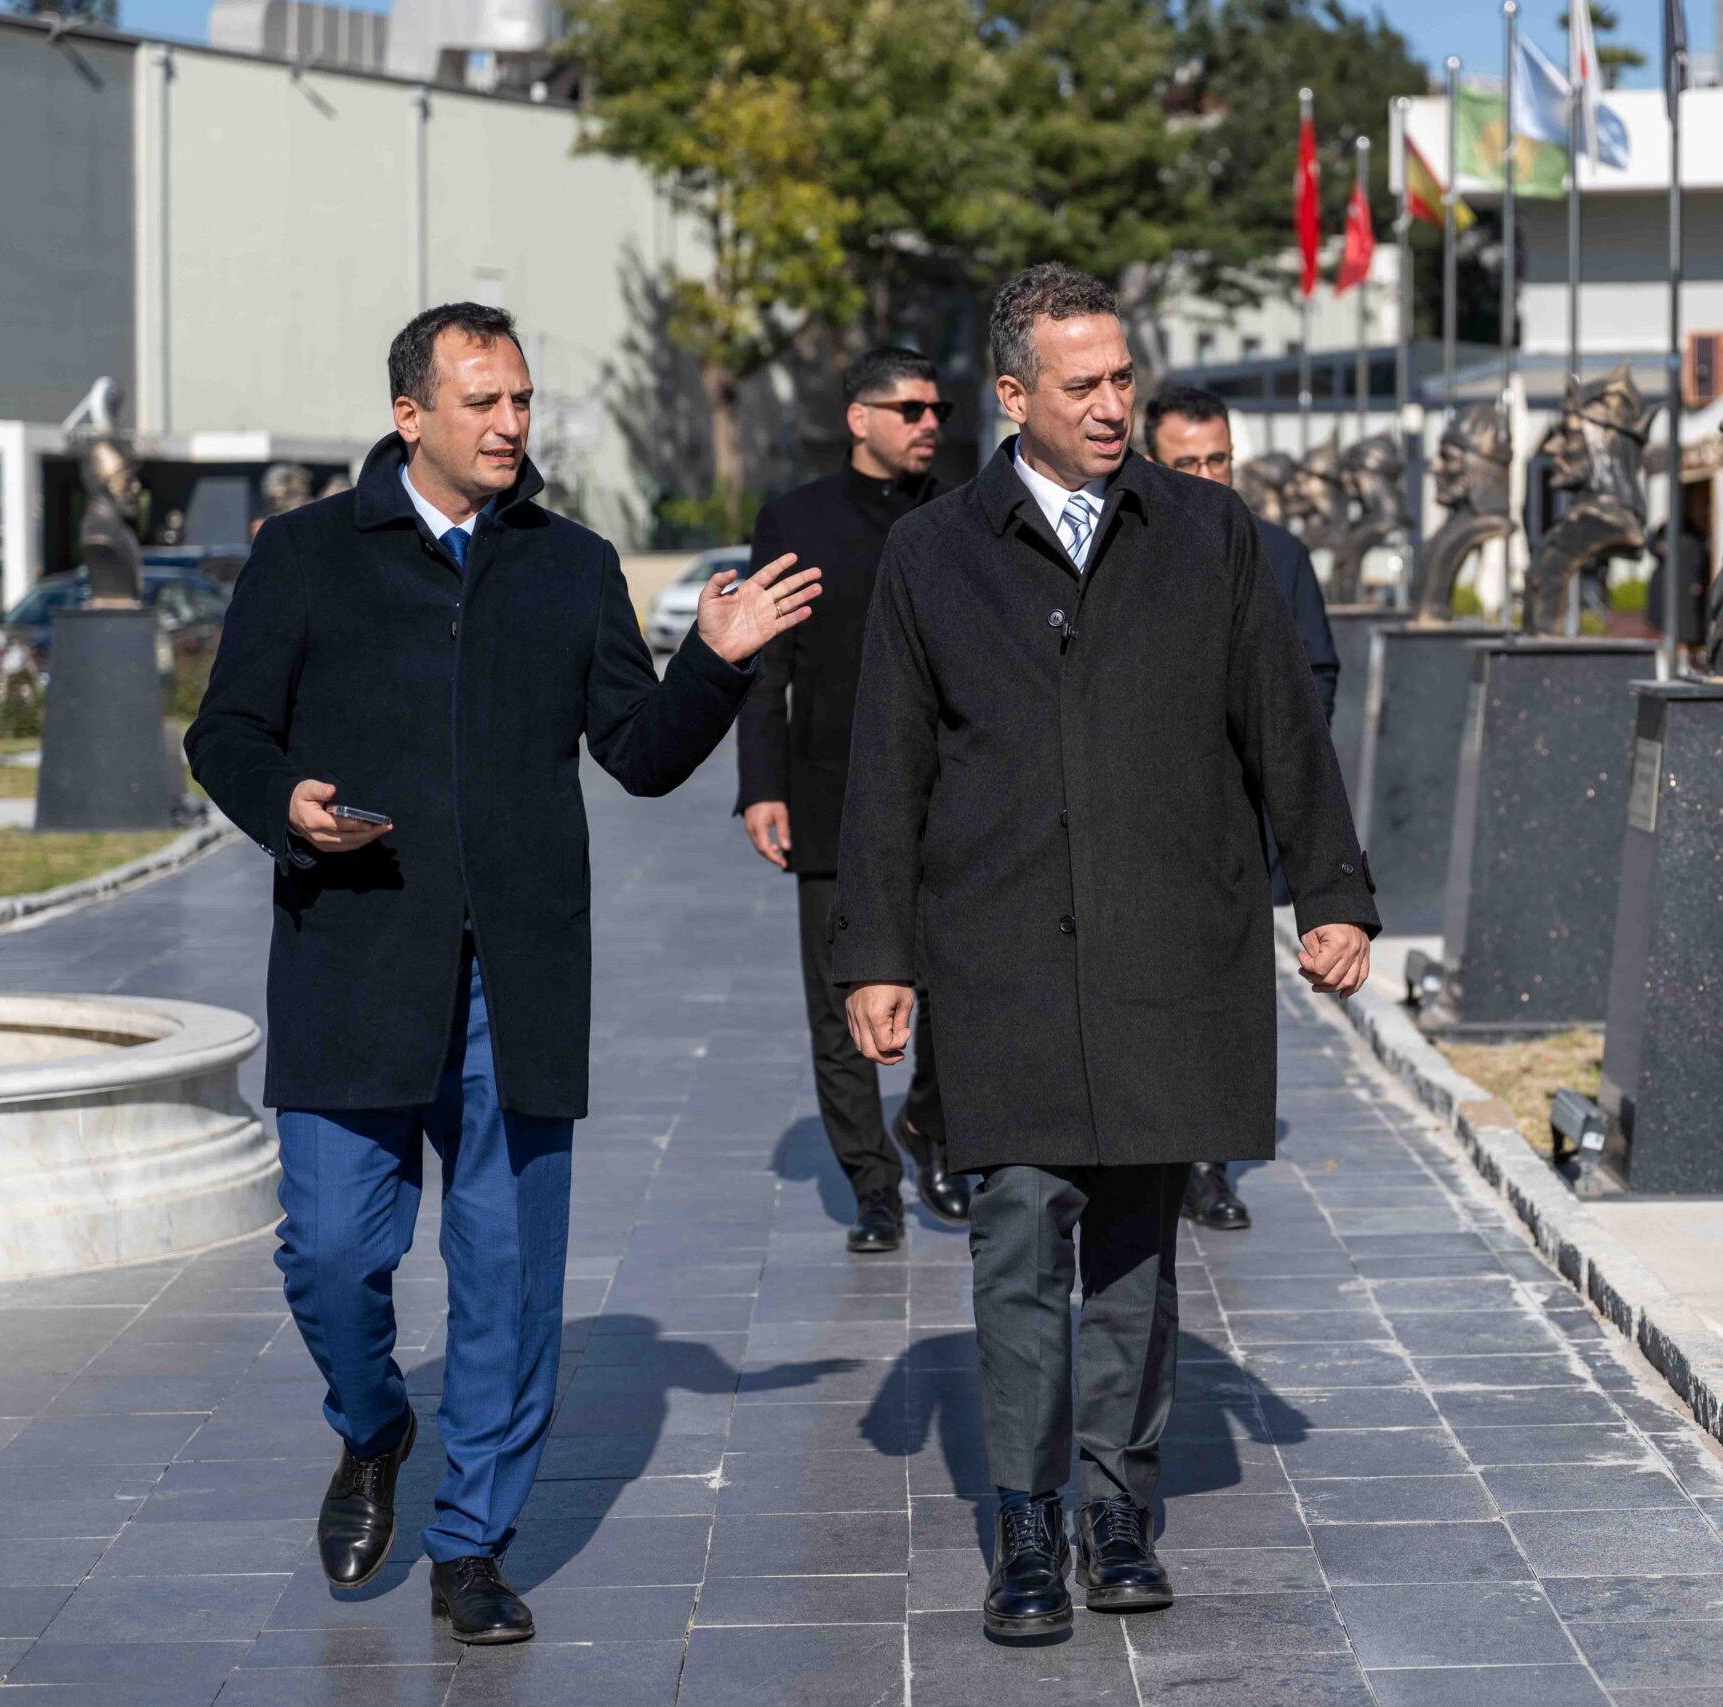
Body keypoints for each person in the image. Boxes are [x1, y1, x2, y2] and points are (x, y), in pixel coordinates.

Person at [184, 303, 819, 1646]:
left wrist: (715, 659)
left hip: (514, 978)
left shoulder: (569, 564)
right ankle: (372, 1423)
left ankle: (472, 1540)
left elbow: (639, 753)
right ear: (410, 413)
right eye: (482, 401)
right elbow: (223, 729)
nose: (511, 423)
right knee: (336, 1249)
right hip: (351, 956)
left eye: (522, 399)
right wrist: (285, 802)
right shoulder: (307, 555)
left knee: (510, 1277)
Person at [835, 263, 1377, 1639]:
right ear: (1012, 395)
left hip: (1166, 940)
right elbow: (886, 769)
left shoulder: (1212, 537)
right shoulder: (935, 555)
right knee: (1017, 1222)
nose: (1114, 405)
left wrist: (1332, 890)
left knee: (1136, 1238)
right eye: (1083, 385)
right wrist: (875, 955)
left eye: (1124, 377)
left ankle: (1117, 1503)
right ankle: (1026, 1523)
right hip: (1000, 947)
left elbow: (1282, 729)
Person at [736, 347, 969, 1251]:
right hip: (831, 804)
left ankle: (931, 1131)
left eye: (938, 411)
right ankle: (873, 1185)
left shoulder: (960, 516)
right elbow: (767, 671)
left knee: (956, 991)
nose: (928, 426)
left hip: (952, 803)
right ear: (858, 418)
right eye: (909, 409)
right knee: (842, 1011)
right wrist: (762, 786)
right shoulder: (792, 521)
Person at [1141, 383, 1339, 1234]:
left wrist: (1275, 761)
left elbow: (1316, 677)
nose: (1207, 476)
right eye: (1186, 463)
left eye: (1217, 459)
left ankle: (1209, 1162)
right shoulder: (1126, 554)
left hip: (1238, 824)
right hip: (1143, 821)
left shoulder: (1278, 553)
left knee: (1223, 997)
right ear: (1151, 463)